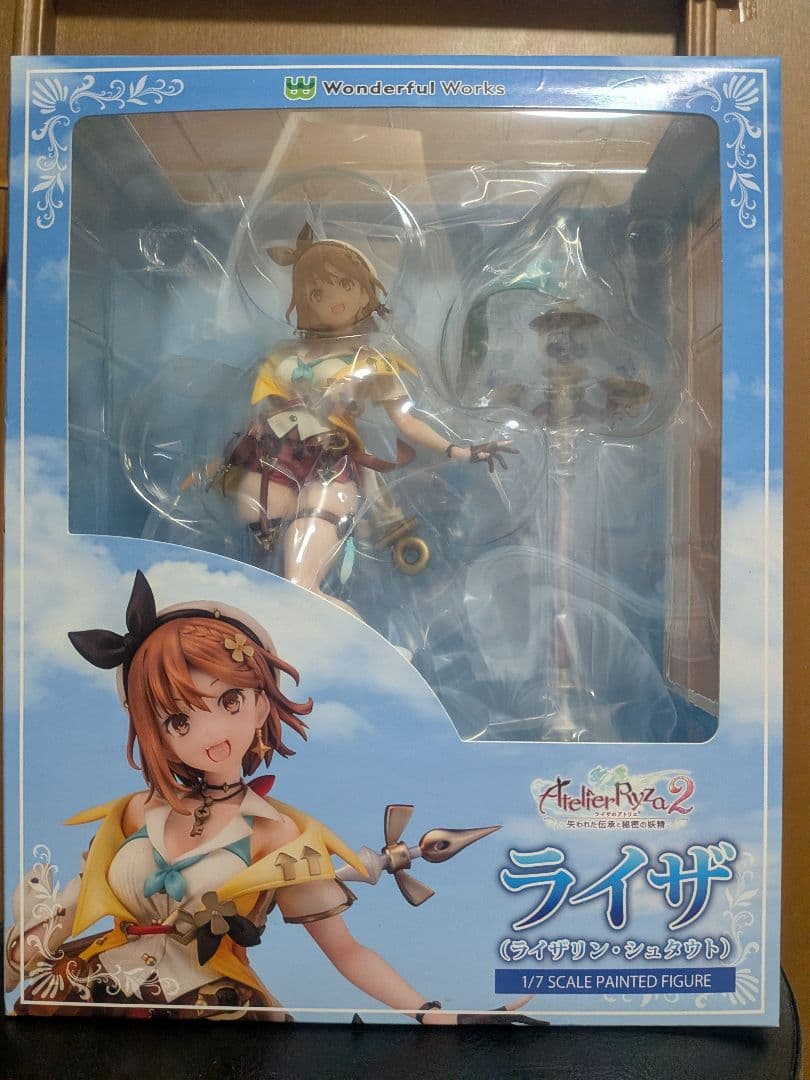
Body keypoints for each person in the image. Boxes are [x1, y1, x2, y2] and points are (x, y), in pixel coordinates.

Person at [6, 571, 532, 1023]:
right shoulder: (134, 812)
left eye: (230, 700)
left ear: (261, 703)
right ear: (154, 733)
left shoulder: (278, 835)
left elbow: (346, 951)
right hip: (91, 995)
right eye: (179, 720)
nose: (211, 731)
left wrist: (432, 1012)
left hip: (207, 1013)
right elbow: (69, 909)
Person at [220, 223, 515, 614]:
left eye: (346, 285)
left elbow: (407, 421)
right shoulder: (282, 357)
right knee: (259, 543)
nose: (335, 300)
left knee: (300, 582)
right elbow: (262, 413)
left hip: (328, 465)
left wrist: (460, 450)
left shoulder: (372, 361)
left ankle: (342, 630)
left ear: (365, 289)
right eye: (318, 292)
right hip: (275, 458)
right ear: (304, 299)